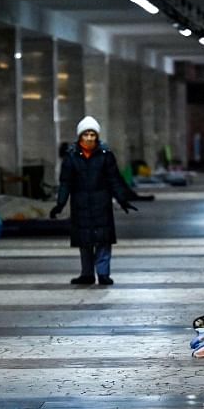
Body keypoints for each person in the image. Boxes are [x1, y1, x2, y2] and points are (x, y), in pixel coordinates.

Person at [50, 116, 136, 285]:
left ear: (97, 136)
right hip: (81, 205)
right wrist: (60, 204)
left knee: (103, 241)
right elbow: (65, 183)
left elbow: (114, 179)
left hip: (101, 205)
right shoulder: (71, 157)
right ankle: (87, 273)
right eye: (86, 134)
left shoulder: (105, 155)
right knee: (85, 241)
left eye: (92, 134)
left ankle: (103, 274)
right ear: (80, 136)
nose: (89, 138)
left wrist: (122, 199)